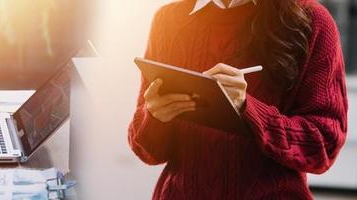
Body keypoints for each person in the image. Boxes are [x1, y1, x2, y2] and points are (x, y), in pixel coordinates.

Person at [128, 0, 348, 199]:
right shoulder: (169, 19)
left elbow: (324, 145)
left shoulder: (311, 20)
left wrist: (248, 108)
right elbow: (147, 150)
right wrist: (154, 117)